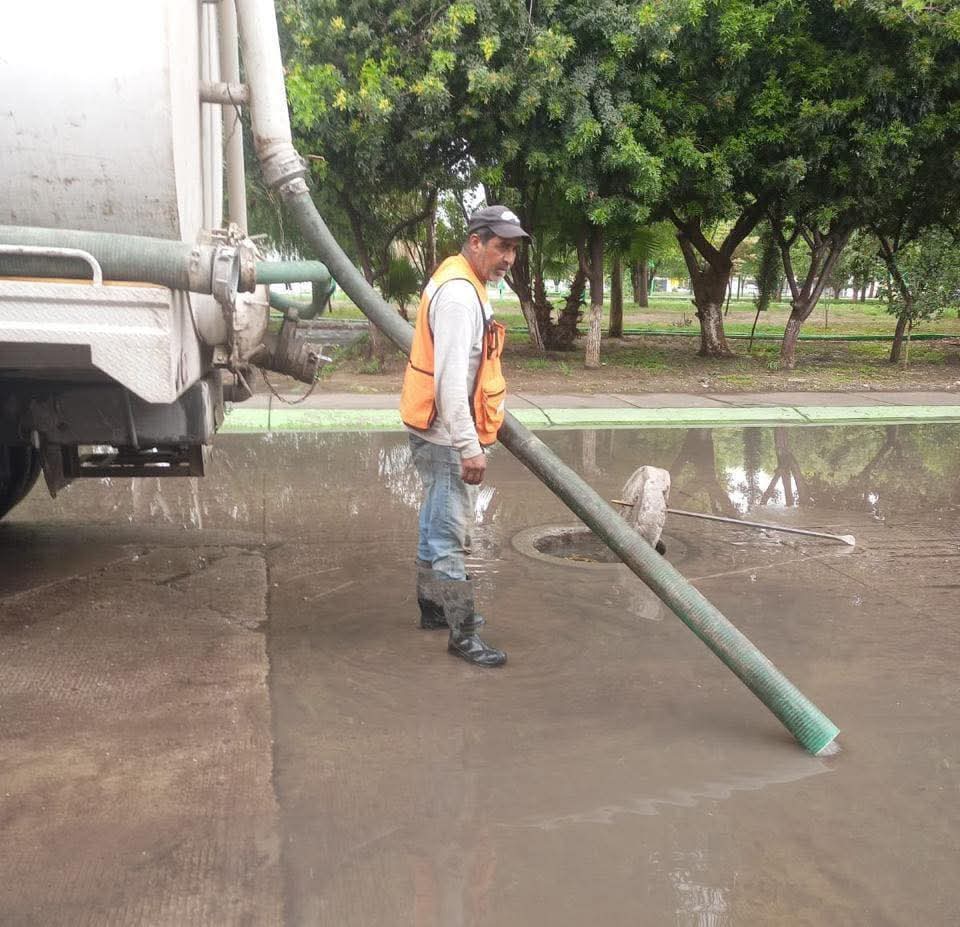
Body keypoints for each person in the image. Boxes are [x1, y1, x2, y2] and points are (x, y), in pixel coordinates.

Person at [399, 206, 530, 667]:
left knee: (434, 518)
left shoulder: (465, 278)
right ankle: (463, 635)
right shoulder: (459, 295)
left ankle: (432, 608)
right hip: (446, 433)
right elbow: (450, 382)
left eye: (513, 249)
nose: (509, 258)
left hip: (436, 427)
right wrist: (469, 447)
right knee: (449, 532)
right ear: (476, 241)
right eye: (501, 247)